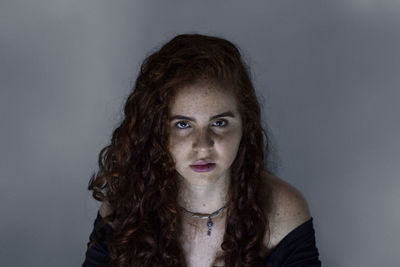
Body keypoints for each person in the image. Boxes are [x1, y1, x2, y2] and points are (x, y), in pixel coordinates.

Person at [82, 33, 321, 267]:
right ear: (156, 129)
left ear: (245, 125)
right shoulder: (126, 203)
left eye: (219, 123)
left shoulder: (283, 210)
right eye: (183, 125)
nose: (203, 145)